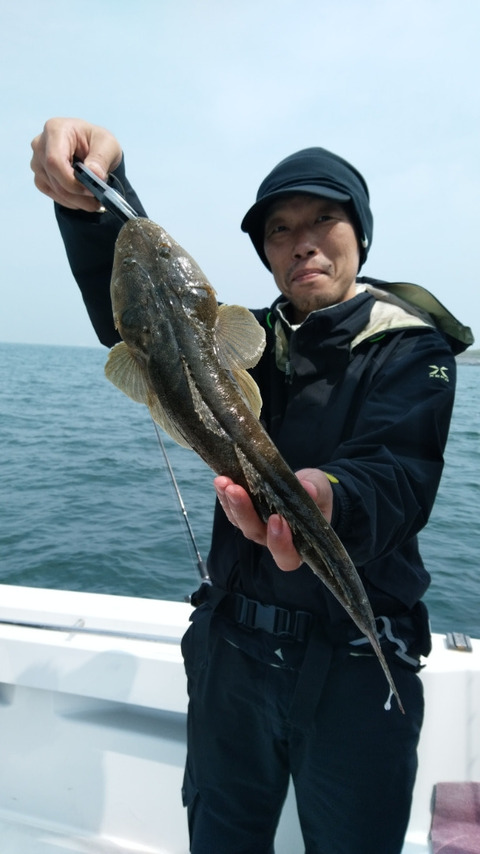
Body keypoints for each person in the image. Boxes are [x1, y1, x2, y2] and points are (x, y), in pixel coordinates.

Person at [31, 118, 472, 854]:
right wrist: (94, 196)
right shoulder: (244, 337)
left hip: (360, 669)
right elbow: (136, 323)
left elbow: (398, 471)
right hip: (232, 653)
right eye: (279, 228)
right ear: (263, 250)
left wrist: (327, 497)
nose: (302, 240)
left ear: (360, 231)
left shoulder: (409, 346)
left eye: (323, 219)